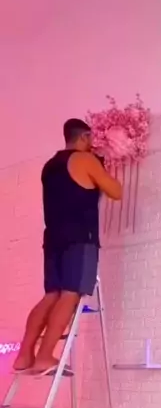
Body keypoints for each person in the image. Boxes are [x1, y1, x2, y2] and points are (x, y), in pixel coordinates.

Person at [13, 118, 122, 376]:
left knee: (51, 295)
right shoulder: (85, 160)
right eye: (90, 138)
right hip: (80, 238)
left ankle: (24, 356)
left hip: (53, 239)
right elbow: (116, 191)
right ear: (84, 136)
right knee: (70, 295)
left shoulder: (50, 166)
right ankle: (44, 357)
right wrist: (101, 164)